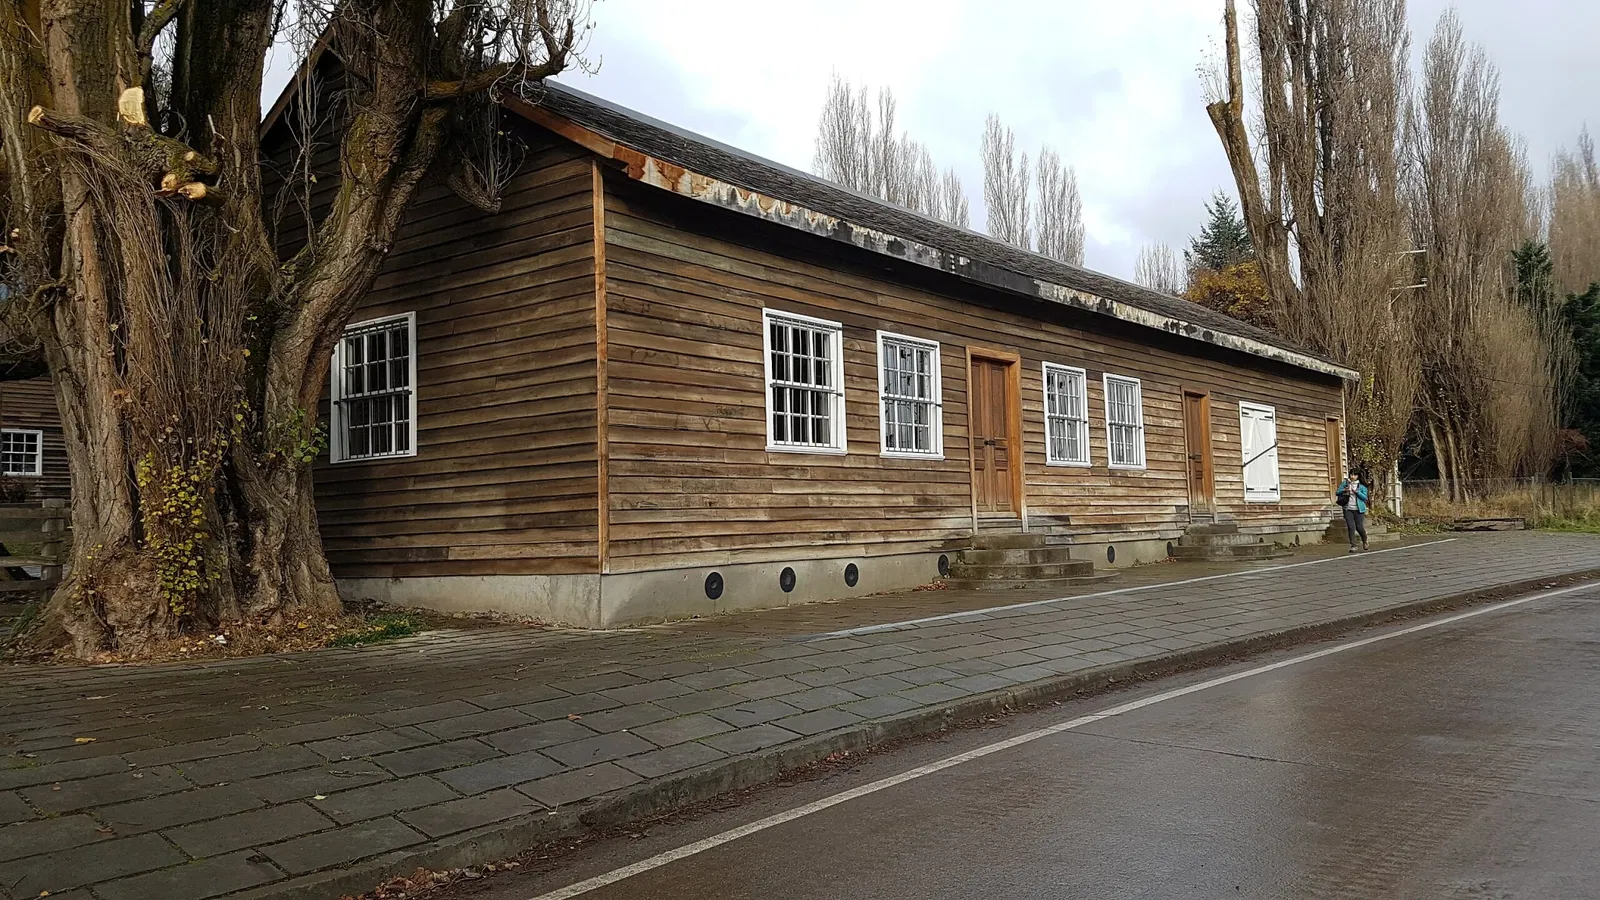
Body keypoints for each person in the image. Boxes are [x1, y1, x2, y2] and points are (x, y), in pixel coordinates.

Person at [1336, 469, 1370, 552]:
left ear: (1358, 476)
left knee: (1359, 527)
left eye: (1354, 475)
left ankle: (1364, 540)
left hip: (1359, 509)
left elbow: (1365, 498)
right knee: (1351, 527)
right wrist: (1344, 490)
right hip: (1348, 508)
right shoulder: (1345, 483)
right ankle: (1353, 545)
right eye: (1351, 474)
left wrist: (1357, 492)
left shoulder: (1361, 486)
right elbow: (1337, 492)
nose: (1352, 476)